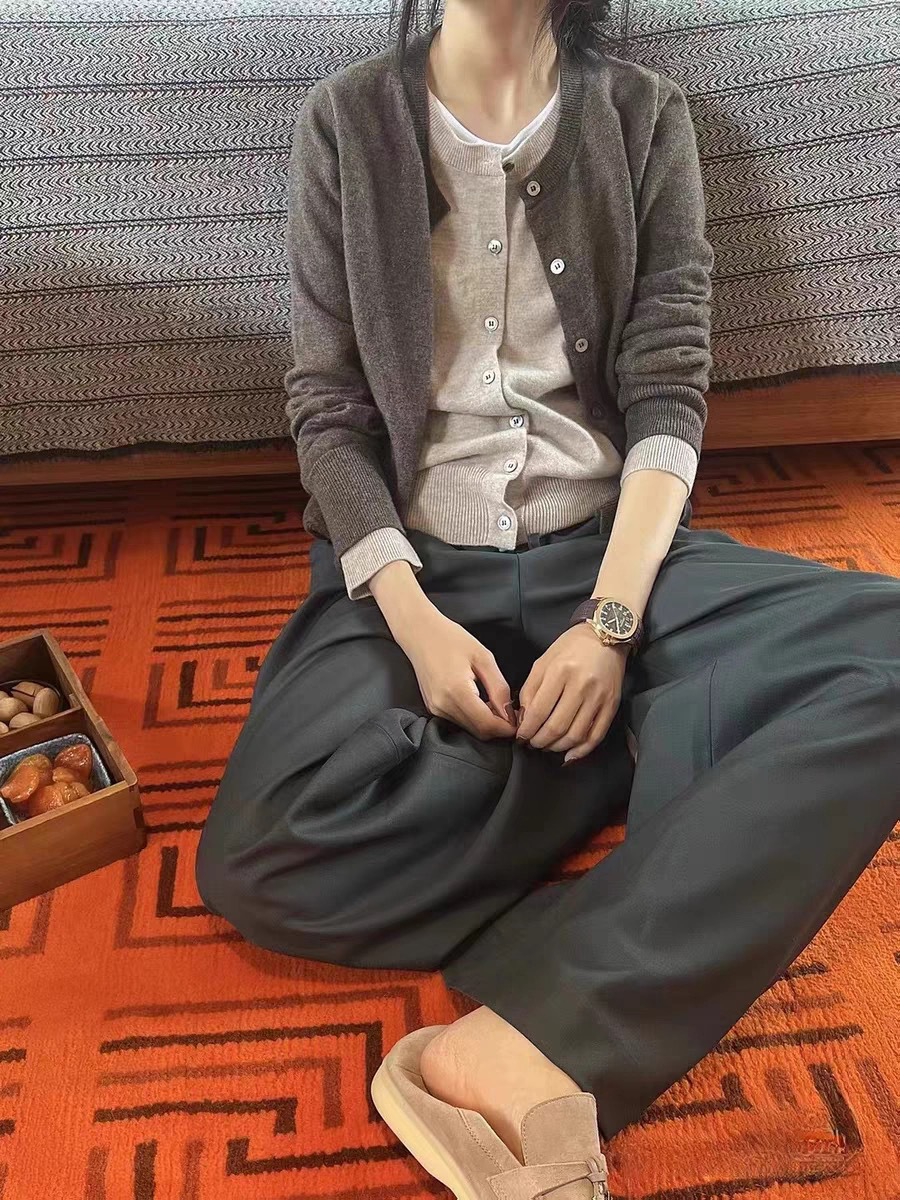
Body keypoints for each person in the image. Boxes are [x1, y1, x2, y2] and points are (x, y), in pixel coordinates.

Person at [195, 1, 900, 1195]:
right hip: (415, 571)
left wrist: (611, 626)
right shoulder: (346, 121)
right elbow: (329, 412)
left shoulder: (642, 115)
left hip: (614, 558)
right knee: (260, 861)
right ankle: (649, 758)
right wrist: (418, 627)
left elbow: (668, 389)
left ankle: (519, 1045)